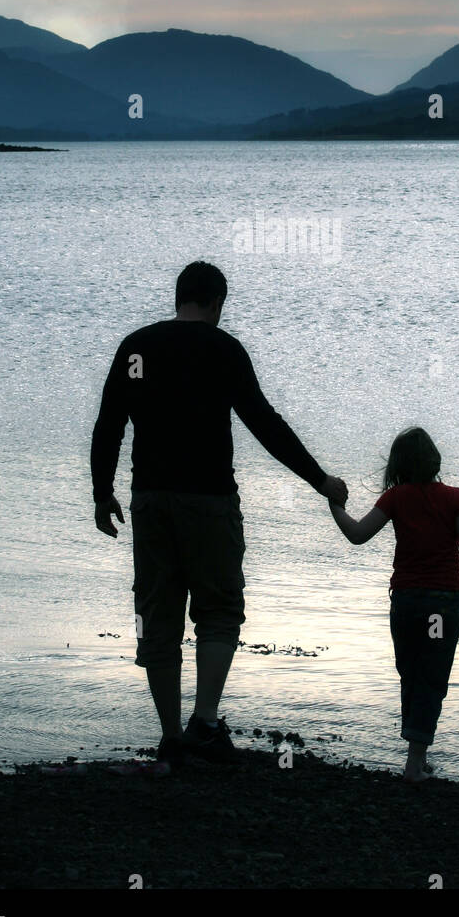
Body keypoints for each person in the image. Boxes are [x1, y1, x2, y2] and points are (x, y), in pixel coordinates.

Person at [91, 260, 348, 774]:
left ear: (178, 297)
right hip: (209, 500)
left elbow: (109, 425)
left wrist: (102, 493)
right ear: (216, 303)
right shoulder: (223, 349)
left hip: (151, 499)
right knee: (219, 609)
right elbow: (264, 424)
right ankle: (204, 723)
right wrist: (320, 481)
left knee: (158, 615)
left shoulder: (136, 347)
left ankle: (169, 735)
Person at [328, 426, 459, 782]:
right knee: (432, 677)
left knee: (410, 674)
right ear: (434, 460)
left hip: (406, 602)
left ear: (398, 464)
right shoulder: (456, 497)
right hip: (441, 604)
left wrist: (335, 505)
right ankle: (414, 763)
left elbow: (357, 535)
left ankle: (415, 760)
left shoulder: (395, 498)